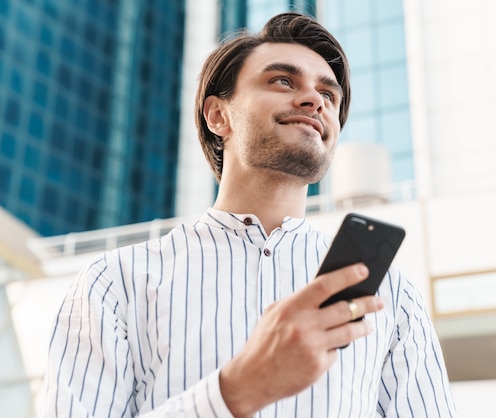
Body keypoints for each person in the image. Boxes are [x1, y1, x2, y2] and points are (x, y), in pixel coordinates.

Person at [40, 12, 456, 418]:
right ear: (218, 115)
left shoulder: (390, 297)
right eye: (282, 80)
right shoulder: (116, 283)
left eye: (329, 95)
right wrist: (235, 391)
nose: (315, 100)